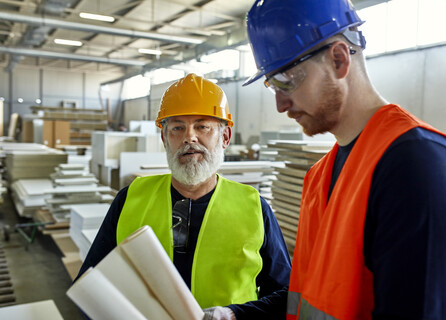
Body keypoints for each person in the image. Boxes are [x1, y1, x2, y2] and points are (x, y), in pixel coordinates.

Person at [243, 0, 446, 319]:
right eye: (272, 85)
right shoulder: (319, 177)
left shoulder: (416, 166)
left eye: (287, 80)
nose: (280, 105)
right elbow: (313, 296)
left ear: (339, 59)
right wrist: (234, 315)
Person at [75, 73, 291, 319]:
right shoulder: (130, 198)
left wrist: (233, 315)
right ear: (164, 138)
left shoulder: (253, 207)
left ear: (225, 137)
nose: (190, 137)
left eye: (202, 126)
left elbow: (284, 294)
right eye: (178, 127)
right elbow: (91, 282)